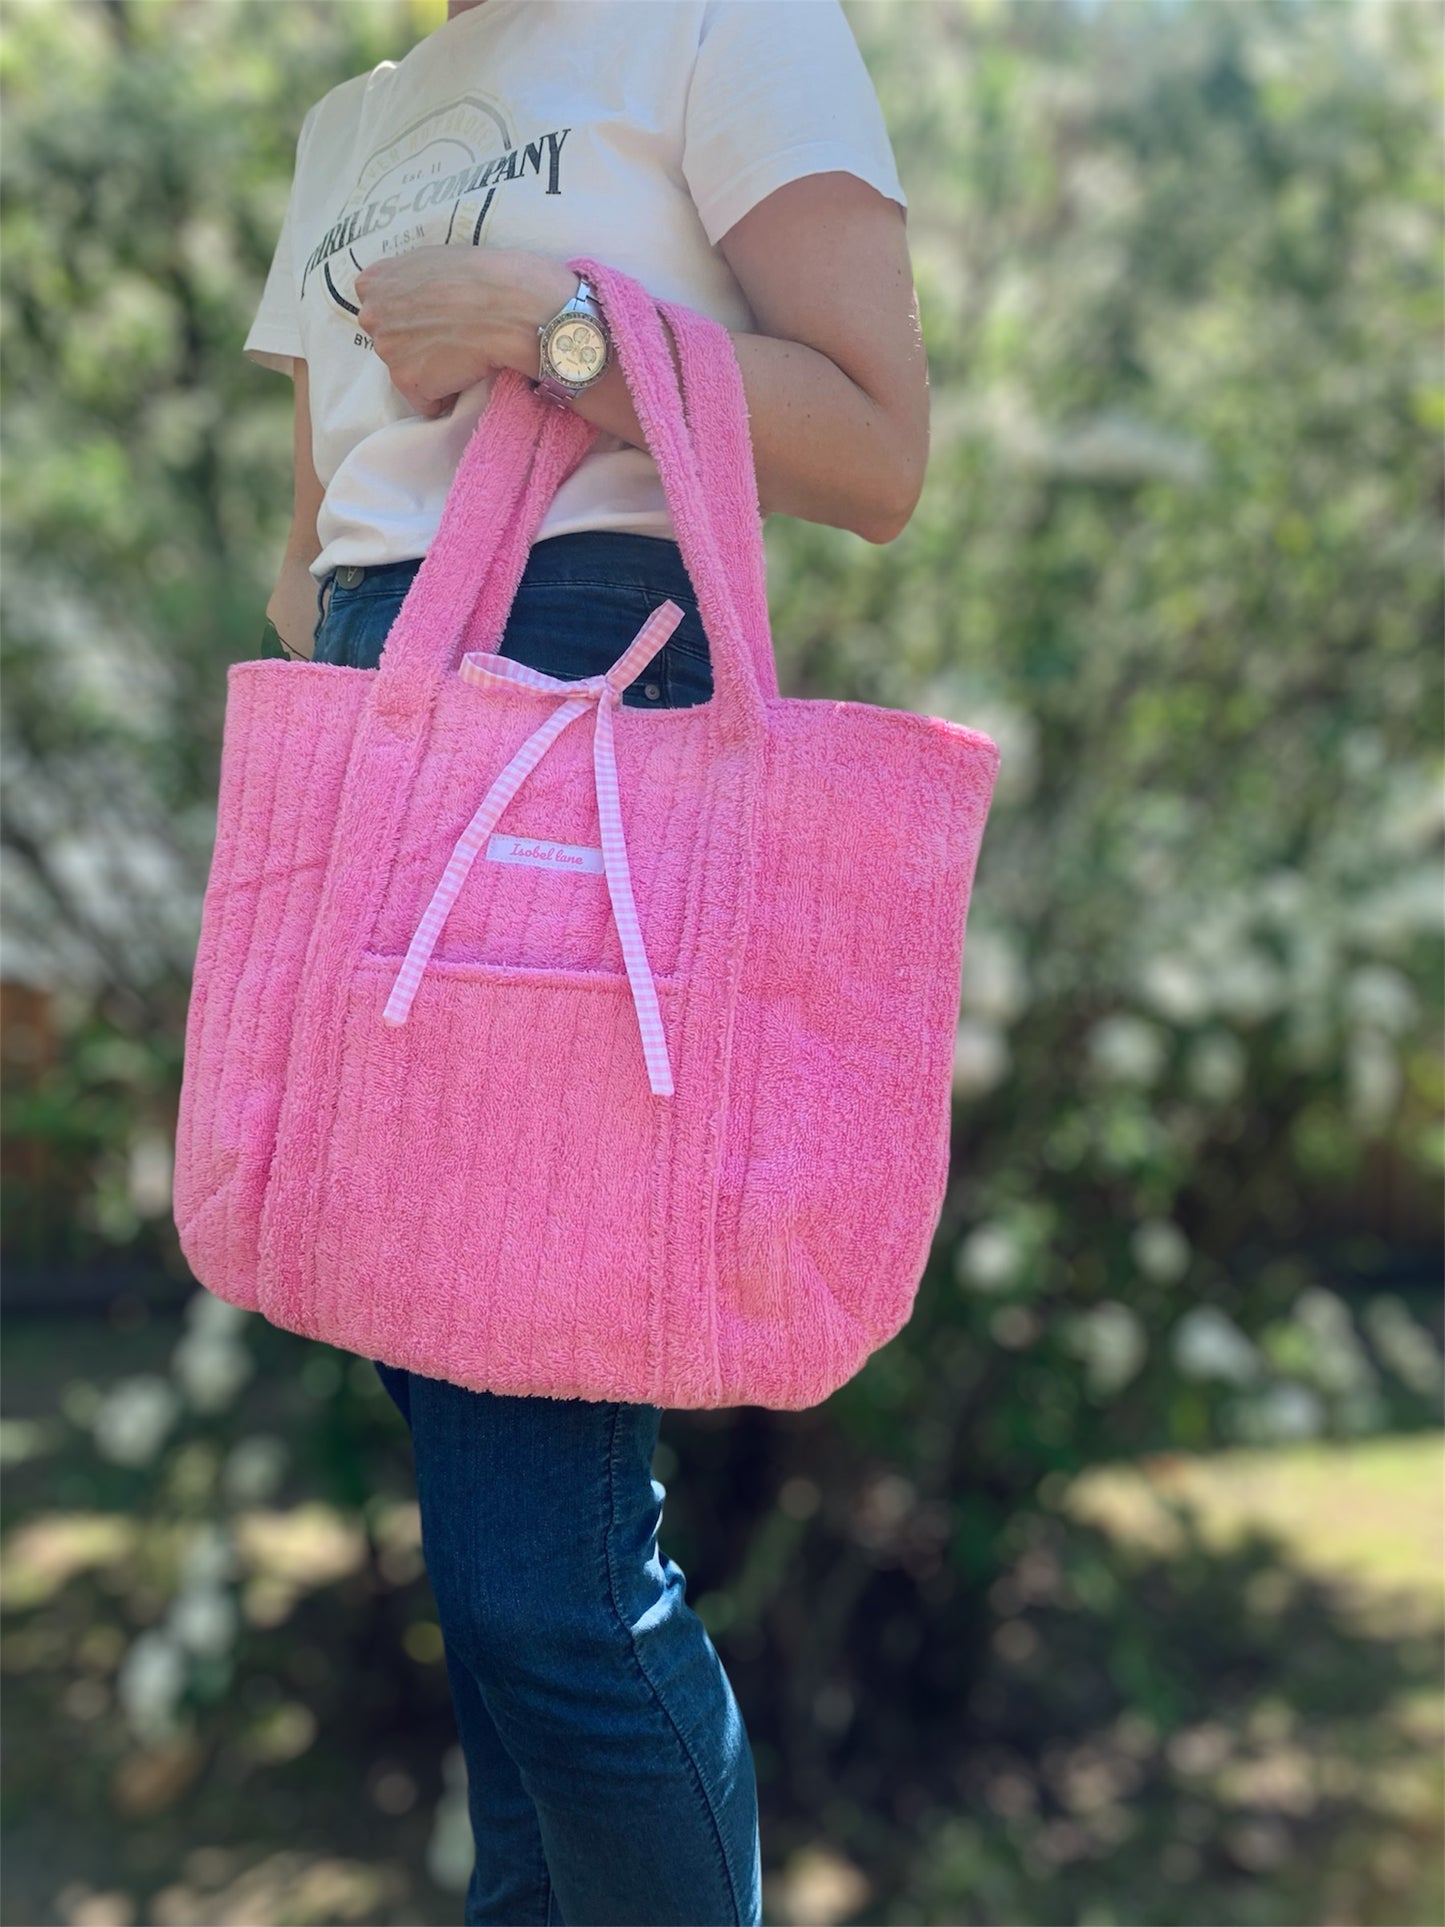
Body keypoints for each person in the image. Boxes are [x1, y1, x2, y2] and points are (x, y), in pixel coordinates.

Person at [242, 2, 926, 1921]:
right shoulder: (350, 124)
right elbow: (316, 540)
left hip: (586, 735)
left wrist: (553, 329)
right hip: (390, 739)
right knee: (495, 1587)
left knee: (549, 1587)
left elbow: (878, 445)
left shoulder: (721, 24)